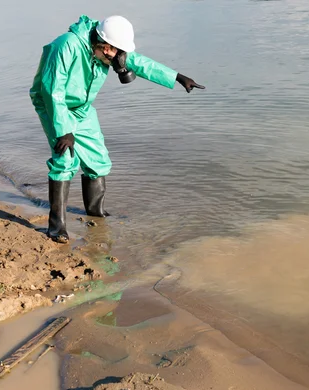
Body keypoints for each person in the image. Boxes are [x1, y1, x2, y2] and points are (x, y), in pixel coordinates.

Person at [29, 15, 204, 244]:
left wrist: (177, 77)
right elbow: (52, 89)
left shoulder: (107, 50)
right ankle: (57, 227)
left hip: (82, 108)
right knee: (65, 159)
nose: (118, 60)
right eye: (115, 53)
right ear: (104, 45)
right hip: (53, 105)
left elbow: (140, 63)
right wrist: (64, 130)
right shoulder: (66, 45)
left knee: (98, 160)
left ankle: (95, 212)